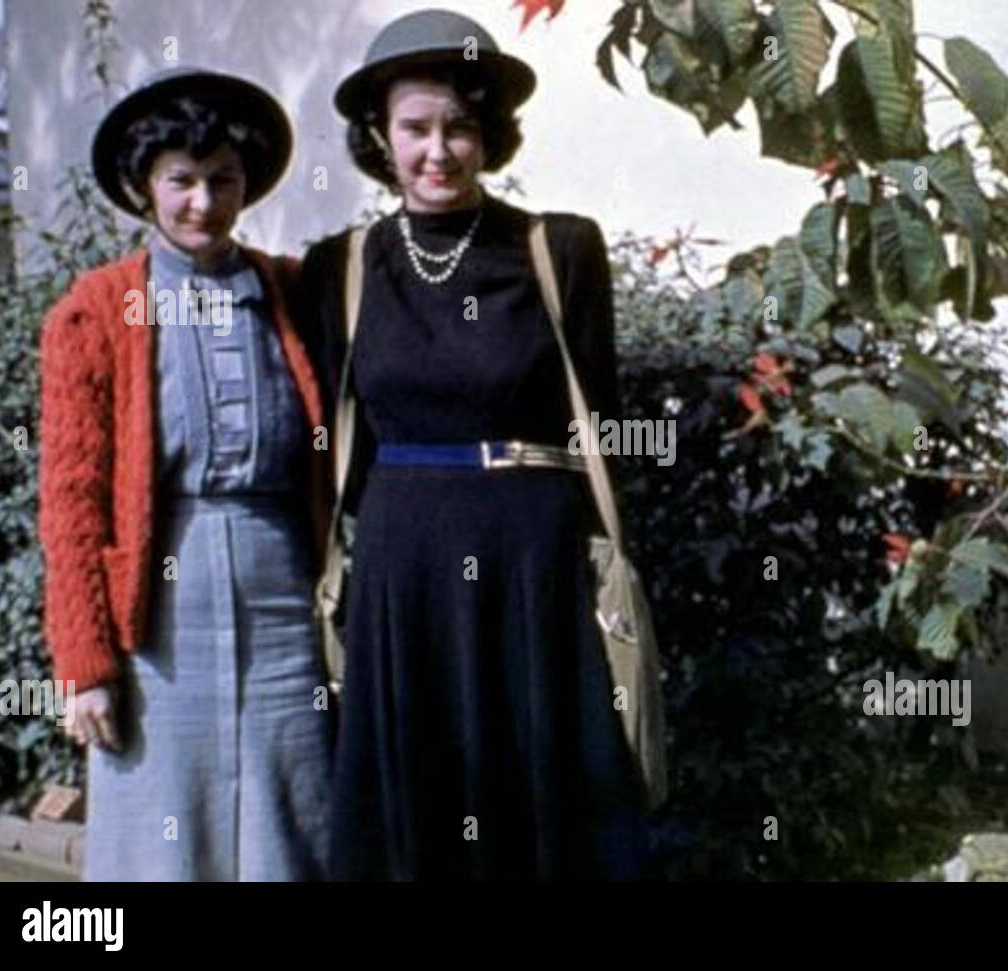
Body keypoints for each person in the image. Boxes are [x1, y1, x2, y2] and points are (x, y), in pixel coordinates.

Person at [301, 9, 647, 879]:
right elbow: (330, 441)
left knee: (538, 794)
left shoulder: (557, 249)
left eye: (461, 126)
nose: (439, 150)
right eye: (415, 127)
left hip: (529, 561)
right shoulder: (339, 268)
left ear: (490, 132)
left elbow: (599, 421)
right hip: (401, 570)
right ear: (380, 137)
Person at [38, 66, 333, 881]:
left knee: (292, 814)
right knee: (162, 837)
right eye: (182, 180)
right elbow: (70, 501)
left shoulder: (292, 292)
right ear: (144, 188)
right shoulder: (95, 311)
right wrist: (86, 667)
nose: (204, 201)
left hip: (283, 596)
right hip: (159, 604)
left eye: (224, 180)